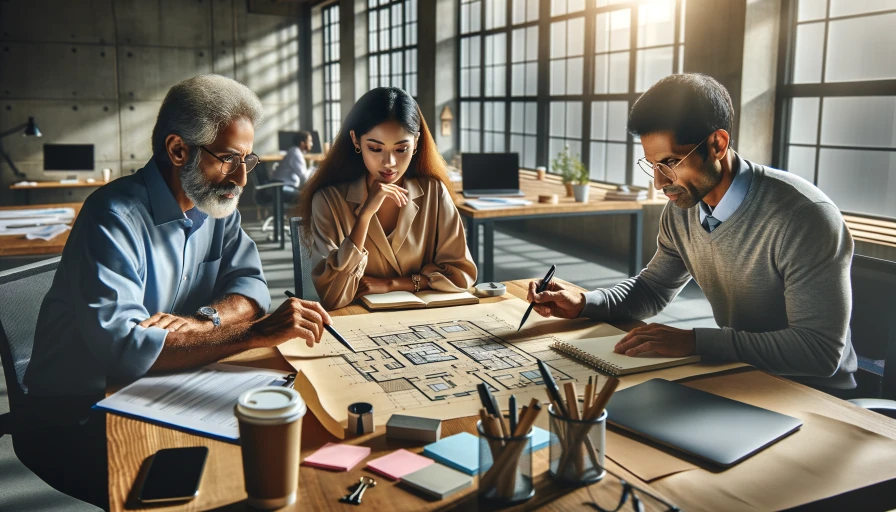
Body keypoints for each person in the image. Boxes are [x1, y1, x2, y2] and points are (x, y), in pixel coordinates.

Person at [19, 75, 331, 508]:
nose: (242, 177)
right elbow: (125, 349)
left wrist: (206, 320)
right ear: (177, 149)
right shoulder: (113, 216)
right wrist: (252, 334)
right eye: (228, 159)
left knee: (278, 456)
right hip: (75, 410)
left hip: (166, 383)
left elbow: (251, 286)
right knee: (209, 491)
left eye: (247, 159)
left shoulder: (217, 206)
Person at [528, 73, 857, 394]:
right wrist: (584, 303)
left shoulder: (804, 216)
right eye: (652, 164)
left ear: (717, 144)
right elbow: (652, 289)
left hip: (812, 393)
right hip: (737, 373)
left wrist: (695, 341)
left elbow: (819, 351)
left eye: (671, 161)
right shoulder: (683, 207)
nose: (659, 182)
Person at [299, 87, 477, 310]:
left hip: (429, 319)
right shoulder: (328, 201)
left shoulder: (434, 192)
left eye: (401, 149)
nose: (389, 162)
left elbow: (461, 275)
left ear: (416, 143)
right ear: (355, 140)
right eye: (375, 148)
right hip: (360, 323)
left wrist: (393, 284)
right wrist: (364, 217)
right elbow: (333, 296)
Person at [272, 130, 315, 200]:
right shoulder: (296, 154)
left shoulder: (294, 151)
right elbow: (304, 180)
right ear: (302, 143)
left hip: (282, 186)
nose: (312, 144)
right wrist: (312, 170)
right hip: (283, 188)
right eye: (310, 141)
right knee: (308, 197)